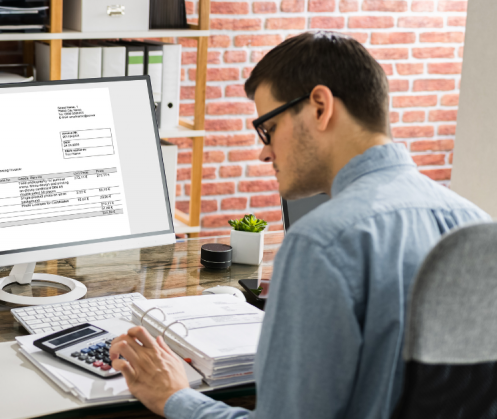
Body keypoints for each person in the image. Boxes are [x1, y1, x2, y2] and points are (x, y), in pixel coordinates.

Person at [109, 31, 491, 419]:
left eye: (268, 128)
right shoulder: (477, 224)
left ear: (320, 107)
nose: (263, 151)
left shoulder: (322, 242)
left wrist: (174, 395)